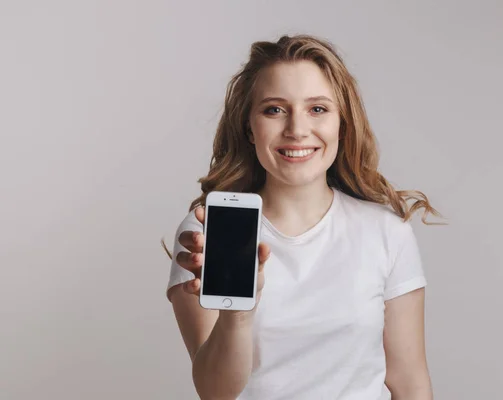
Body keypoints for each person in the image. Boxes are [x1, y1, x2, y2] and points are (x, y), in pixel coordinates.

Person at [164, 34, 442, 400]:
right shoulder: (207, 230)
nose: (296, 130)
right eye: (274, 109)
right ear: (250, 128)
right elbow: (216, 393)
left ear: (342, 124)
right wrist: (239, 312)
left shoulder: (386, 232)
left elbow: (410, 384)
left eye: (318, 109)